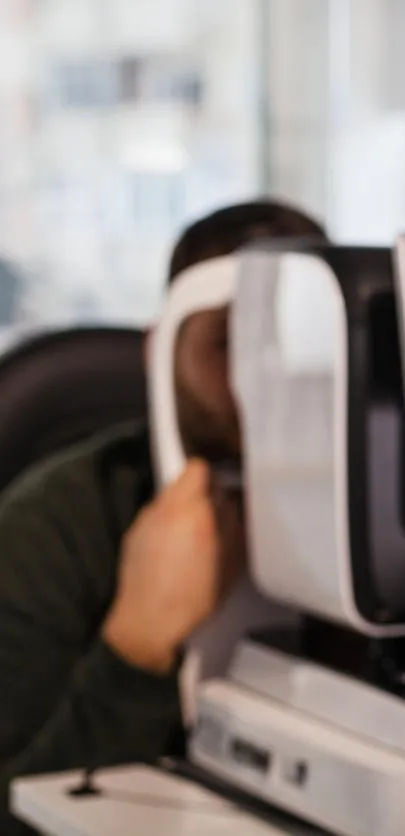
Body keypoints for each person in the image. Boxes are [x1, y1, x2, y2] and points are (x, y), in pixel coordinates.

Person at [0, 201, 327, 833]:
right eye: (229, 342)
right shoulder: (54, 525)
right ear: (162, 350)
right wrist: (137, 645)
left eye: (297, 343)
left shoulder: (382, 526)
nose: (265, 380)